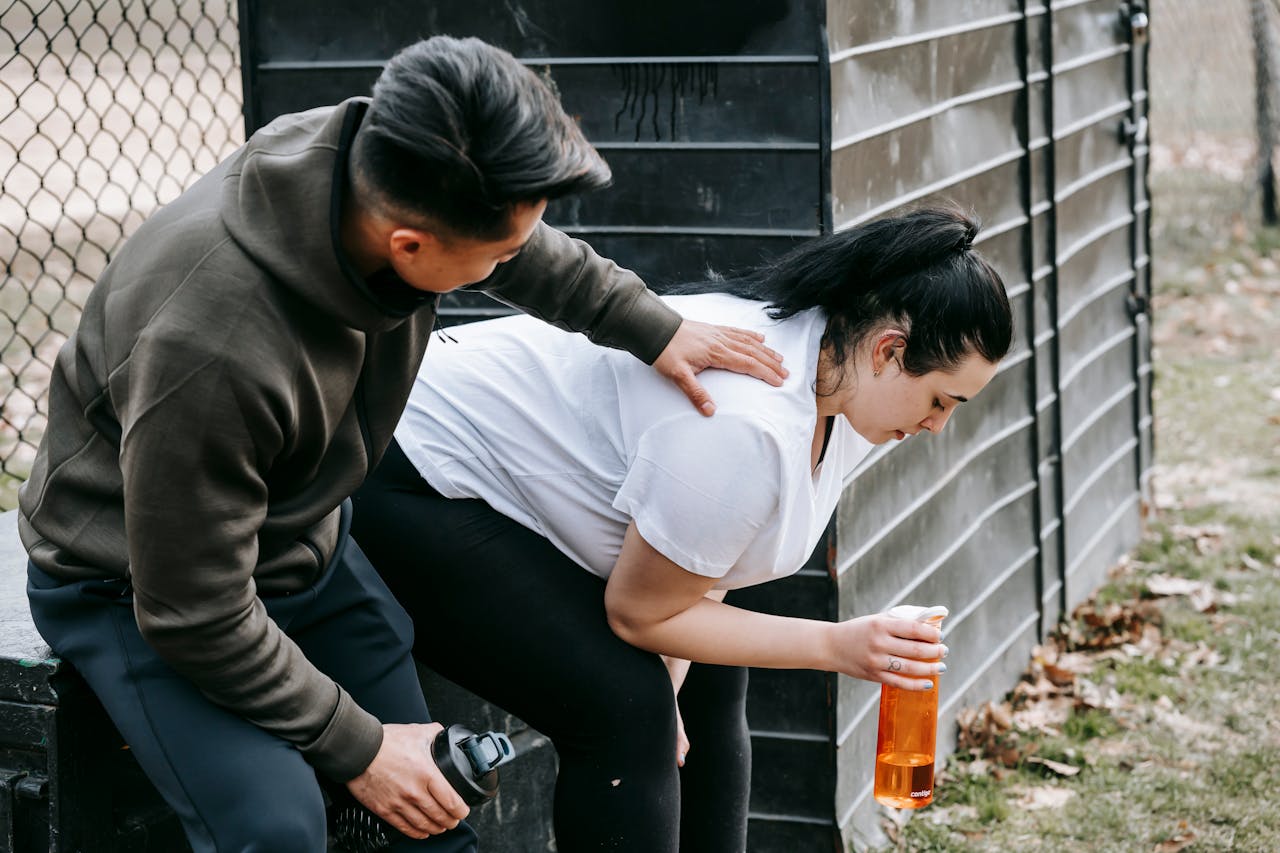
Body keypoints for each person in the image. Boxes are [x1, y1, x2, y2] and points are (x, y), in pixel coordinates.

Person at [17, 36, 786, 853]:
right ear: (410, 247)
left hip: (305, 536)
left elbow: (525, 252)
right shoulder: (211, 347)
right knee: (276, 824)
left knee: (434, 807)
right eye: (495, 255)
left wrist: (651, 328)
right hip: (133, 586)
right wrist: (358, 746)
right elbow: (191, 609)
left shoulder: (376, 162)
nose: (510, 261)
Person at [351, 205, 1015, 852]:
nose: (936, 427)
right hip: (402, 466)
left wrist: (675, 682)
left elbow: (707, 567)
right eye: (940, 401)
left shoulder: (843, 381)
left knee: (708, 676)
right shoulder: (750, 422)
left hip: (488, 472)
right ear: (889, 349)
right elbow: (640, 613)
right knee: (624, 707)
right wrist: (839, 645)